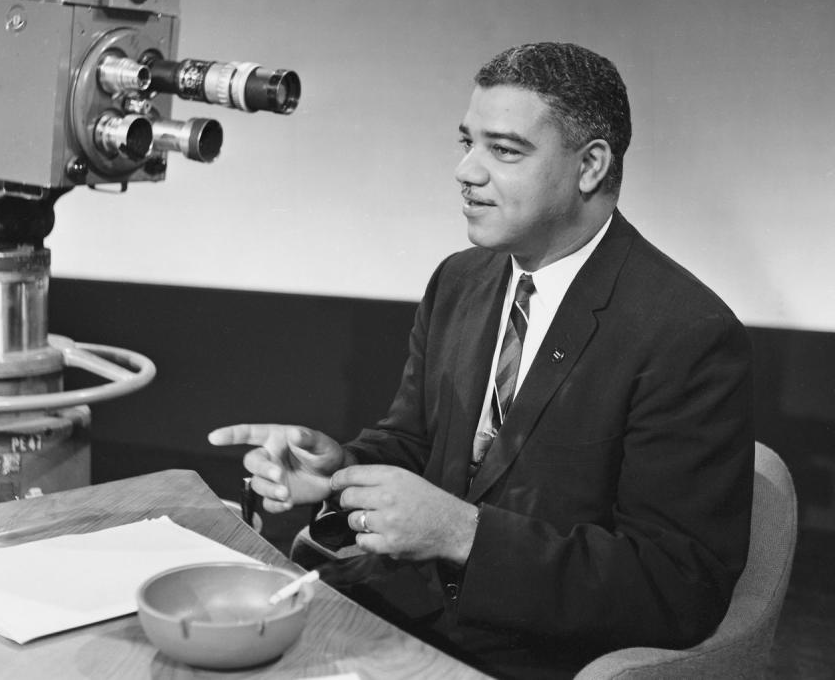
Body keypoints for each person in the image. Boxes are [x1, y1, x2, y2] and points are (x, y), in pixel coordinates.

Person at [209, 42, 754, 679]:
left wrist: (461, 534)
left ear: (590, 166)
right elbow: (416, 443)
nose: (466, 170)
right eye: (466, 142)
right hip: (398, 609)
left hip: (533, 654)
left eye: (504, 150)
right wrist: (339, 470)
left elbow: (674, 586)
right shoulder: (459, 281)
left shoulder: (687, 333)